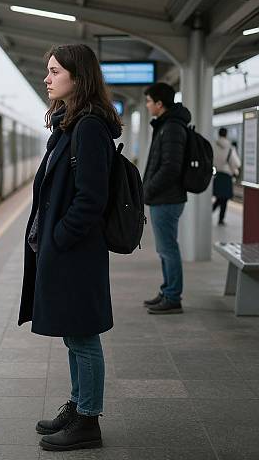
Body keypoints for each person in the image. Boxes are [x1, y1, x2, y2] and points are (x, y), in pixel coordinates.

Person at [19, 44, 122, 451]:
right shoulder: (70, 122)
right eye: (48, 71)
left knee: (83, 336)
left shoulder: (89, 127)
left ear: (78, 78)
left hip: (76, 250)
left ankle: (88, 421)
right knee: (73, 334)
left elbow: (91, 197)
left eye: (55, 71)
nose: (47, 78)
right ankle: (79, 406)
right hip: (67, 250)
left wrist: (60, 238)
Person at [142, 82, 190, 315]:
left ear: (159, 103)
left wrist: (148, 189)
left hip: (166, 199)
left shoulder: (171, 127)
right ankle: (167, 291)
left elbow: (171, 167)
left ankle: (172, 297)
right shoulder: (166, 125)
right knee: (165, 248)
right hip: (164, 198)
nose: (148, 105)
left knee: (168, 249)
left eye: (149, 101)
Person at [213, 127, 240, 225]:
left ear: (219, 134)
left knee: (219, 197)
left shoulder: (214, 146)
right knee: (224, 199)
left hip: (218, 174)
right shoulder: (230, 148)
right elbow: (236, 163)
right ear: (226, 134)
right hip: (226, 175)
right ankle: (220, 219)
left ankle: (212, 212)